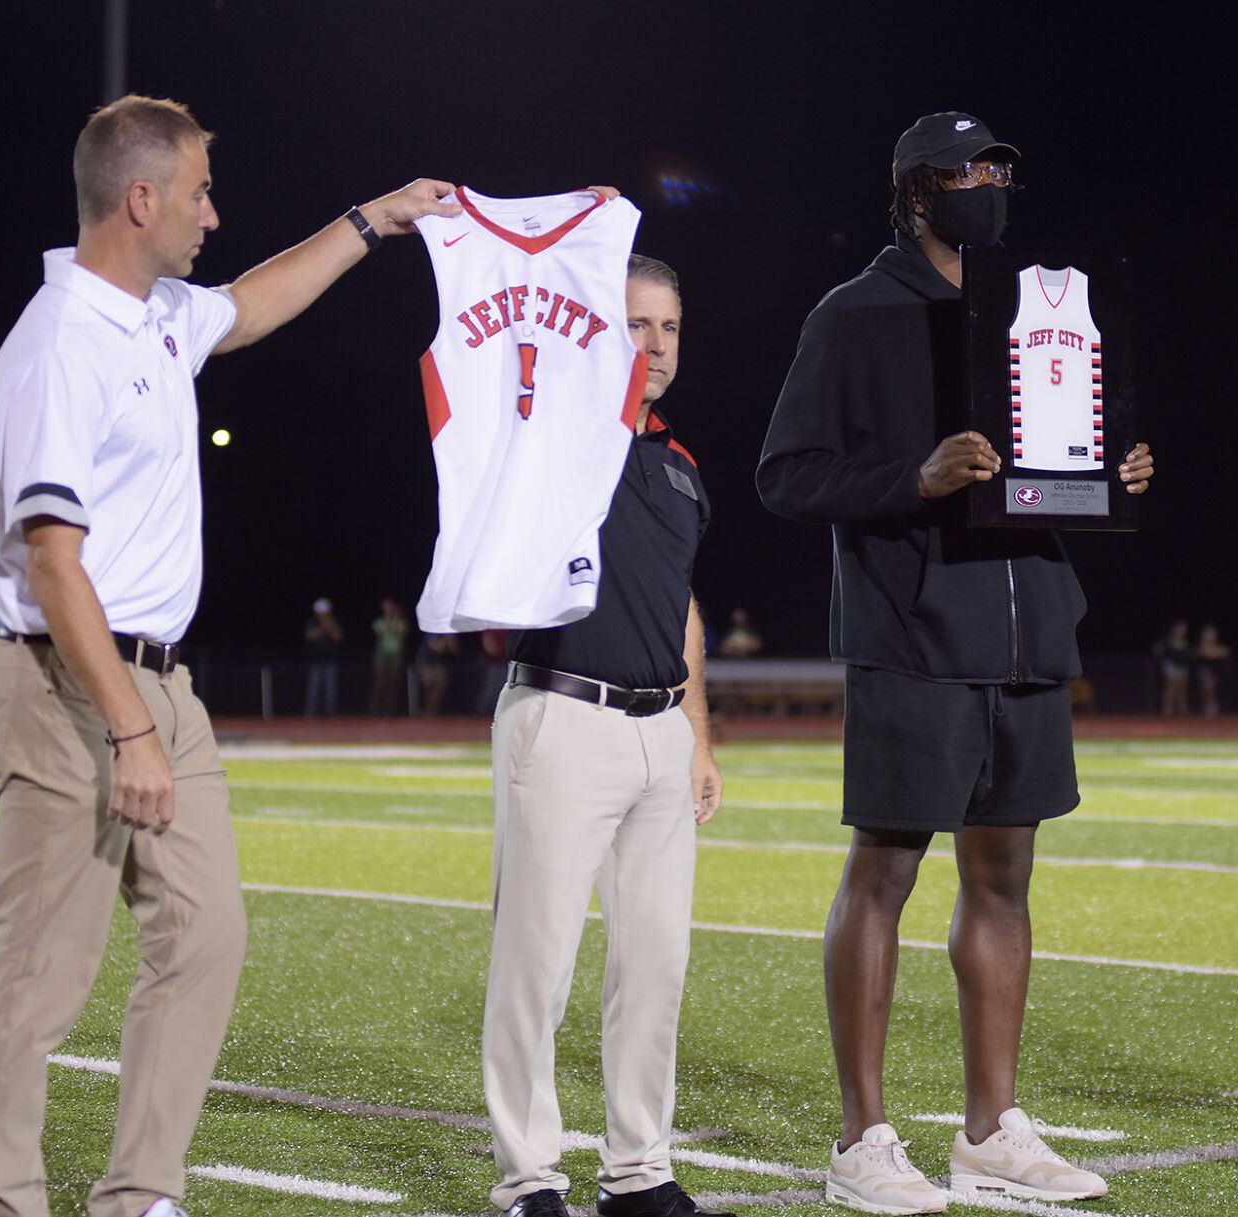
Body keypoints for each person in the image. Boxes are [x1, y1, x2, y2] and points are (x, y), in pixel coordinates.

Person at [0, 94, 458, 1217]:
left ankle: (137, 1190)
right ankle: (7, 1203)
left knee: (207, 934)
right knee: (42, 978)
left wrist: (372, 221)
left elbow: (246, 305)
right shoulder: (57, 347)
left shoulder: (152, 317)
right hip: (66, 681)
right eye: (196, 192)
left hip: (159, 681)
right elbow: (53, 565)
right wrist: (128, 724)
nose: (212, 213)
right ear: (140, 200)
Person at [757, 112, 1153, 1212]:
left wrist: (1112, 469)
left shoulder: (1035, 306)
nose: (992, 184)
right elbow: (785, 475)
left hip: (1026, 633)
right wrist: (913, 477)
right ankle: (860, 1140)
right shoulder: (852, 312)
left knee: (1004, 880)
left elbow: (1047, 458)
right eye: (973, 169)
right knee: (882, 875)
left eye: (1001, 170)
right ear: (915, 189)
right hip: (911, 632)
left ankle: (989, 1131)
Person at [482, 255, 730, 1217]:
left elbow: (682, 609)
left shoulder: (679, 462)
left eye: (667, 327)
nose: (655, 344)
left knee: (655, 961)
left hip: (659, 733)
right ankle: (529, 1179)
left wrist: (698, 735)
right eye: (634, 324)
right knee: (536, 962)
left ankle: (638, 1171)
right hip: (562, 713)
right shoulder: (551, 432)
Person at [303, 596, 343, 716]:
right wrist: (323, 628)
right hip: (316, 661)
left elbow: (338, 637)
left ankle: (330, 714)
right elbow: (309, 636)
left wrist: (329, 628)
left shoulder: (335, 621)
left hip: (331, 661)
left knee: (330, 690)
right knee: (313, 690)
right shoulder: (312, 621)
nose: (322, 615)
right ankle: (310, 714)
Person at [370, 596, 409, 715]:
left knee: (392, 685)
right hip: (381, 658)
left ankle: (389, 711)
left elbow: (402, 633)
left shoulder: (401, 622)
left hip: (395, 658)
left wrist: (396, 619)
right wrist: (390, 622)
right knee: (379, 684)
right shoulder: (379, 622)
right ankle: (375, 711)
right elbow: (382, 632)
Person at [1154, 618, 1191, 715]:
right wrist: (1162, 658)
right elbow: (1158, 649)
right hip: (1171, 666)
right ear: (1174, 628)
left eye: (1184, 627)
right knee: (1170, 688)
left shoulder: (1185, 641)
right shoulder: (1167, 639)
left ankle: (1182, 710)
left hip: (1182, 667)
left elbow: (1187, 654)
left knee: (1182, 689)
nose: (1182, 629)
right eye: (1179, 627)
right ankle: (1167, 709)